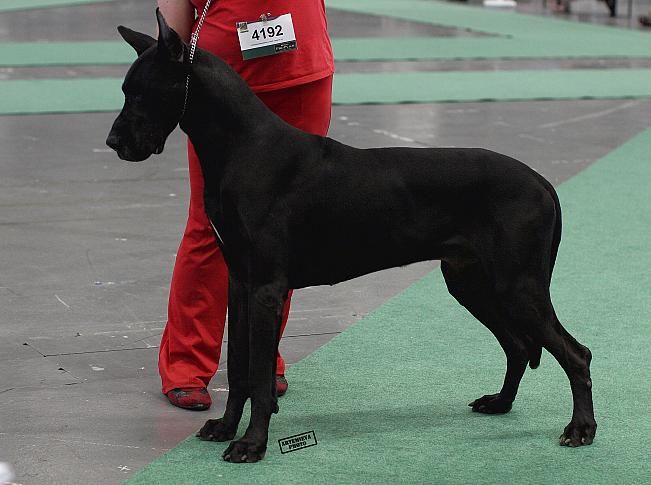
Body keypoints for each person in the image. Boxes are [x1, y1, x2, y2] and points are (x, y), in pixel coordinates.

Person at [157, 0, 335, 410]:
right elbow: (172, 25)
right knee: (210, 226)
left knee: (286, 226)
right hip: (217, 86)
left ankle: (261, 357)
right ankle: (186, 364)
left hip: (301, 73)